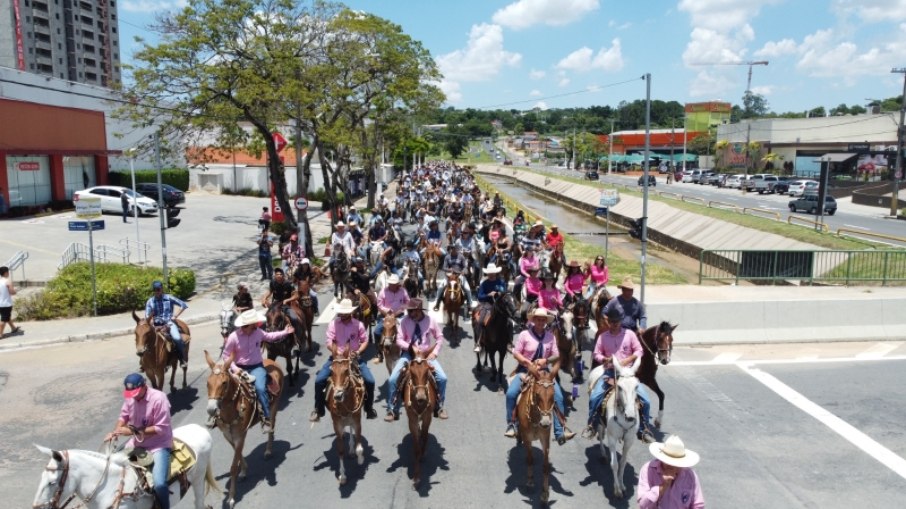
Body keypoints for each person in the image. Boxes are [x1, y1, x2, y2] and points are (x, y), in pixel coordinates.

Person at [504, 308, 575, 445]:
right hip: (525, 370)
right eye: (538, 319)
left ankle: (560, 430)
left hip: (544, 374)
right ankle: (512, 424)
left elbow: (556, 355)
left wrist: (546, 361)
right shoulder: (524, 334)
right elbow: (516, 353)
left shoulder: (550, 337)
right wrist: (527, 362)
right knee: (511, 394)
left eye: (543, 320)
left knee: (559, 396)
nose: (541, 322)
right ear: (533, 320)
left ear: (546, 322)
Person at [584, 306, 655, 442]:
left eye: (616, 321)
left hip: (628, 373)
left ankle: (644, 430)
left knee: (646, 400)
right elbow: (596, 354)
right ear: (608, 322)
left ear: (621, 321)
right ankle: (591, 425)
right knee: (594, 398)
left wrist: (628, 360)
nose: (614, 324)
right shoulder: (603, 337)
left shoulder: (630, 334)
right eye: (611, 321)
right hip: (610, 371)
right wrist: (604, 359)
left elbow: (639, 351)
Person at [104, 373, 173, 509]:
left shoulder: (159, 398)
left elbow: (161, 428)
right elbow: (123, 416)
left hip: (158, 445)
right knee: (112, 466)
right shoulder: (131, 397)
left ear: (144, 386)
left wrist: (132, 431)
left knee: (159, 483)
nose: (133, 396)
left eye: (136, 392)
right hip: (136, 444)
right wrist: (116, 432)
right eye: (131, 394)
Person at [221, 309, 294, 433]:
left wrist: (285, 332)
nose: (258, 324)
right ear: (249, 324)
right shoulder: (234, 337)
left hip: (256, 367)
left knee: (260, 388)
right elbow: (226, 355)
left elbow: (270, 337)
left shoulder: (258, 332)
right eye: (255, 323)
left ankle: (266, 419)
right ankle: (217, 415)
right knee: (223, 386)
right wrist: (235, 368)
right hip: (239, 368)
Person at [310, 299, 378, 422]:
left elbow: (364, 341)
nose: (342, 315)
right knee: (319, 381)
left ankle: (369, 409)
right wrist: (336, 352)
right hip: (336, 358)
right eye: (341, 313)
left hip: (354, 358)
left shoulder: (358, 325)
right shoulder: (333, 324)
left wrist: (358, 352)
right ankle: (318, 409)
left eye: (345, 313)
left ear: (350, 313)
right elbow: (329, 341)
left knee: (370, 381)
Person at [385, 299, 449, 421]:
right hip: (408, 354)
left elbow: (439, 337)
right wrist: (410, 347)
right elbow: (398, 340)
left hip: (425, 355)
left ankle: (439, 406)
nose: (409, 313)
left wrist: (434, 353)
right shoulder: (404, 321)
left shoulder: (430, 321)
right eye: (409, 311)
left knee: (442, 378)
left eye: (411, 311)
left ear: (418, 310)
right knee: (393, 378)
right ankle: (392, 409)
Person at [638, 435, 705, 509]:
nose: (671, 465)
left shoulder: (690, 475)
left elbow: (698, 505)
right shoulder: (648, 469)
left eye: (675, 463)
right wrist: (662, 487)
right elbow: (642, 504)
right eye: (668, 461)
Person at [144, 281, 188, 367]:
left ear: (162, 289)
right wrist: (151, 323)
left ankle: (182, 359)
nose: (157, 291)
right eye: (155, 290)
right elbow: (147, 316)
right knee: (144, 339)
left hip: (168, 323)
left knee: (177, 338)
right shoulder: (150, 302)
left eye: (158, 289)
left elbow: (183, 305)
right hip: (155, 325)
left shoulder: (169, 298)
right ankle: (143, 363)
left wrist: (175, 315)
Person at [475, 263, 508, 352]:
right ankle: (478, 341)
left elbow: (505, 293)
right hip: (488, 304)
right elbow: (480, 296)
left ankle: (509, 342)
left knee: (509, 321)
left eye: (493, 273)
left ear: (495, 273)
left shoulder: (501, 282)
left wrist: (500, 294)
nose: (491, 274)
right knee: (481, 320)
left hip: (500, 304)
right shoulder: (484, 283)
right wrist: (488, 295)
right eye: (490, 273)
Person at [432, 244, 475, 311]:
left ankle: (470, 304)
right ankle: (437, 303)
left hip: (459, 275)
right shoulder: (447, 257)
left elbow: (465, 267)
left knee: (467, 288)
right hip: (450, 275)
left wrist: (463, 271)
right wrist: (448, 270)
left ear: (457, 249)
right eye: (452, 248)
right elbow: (444, 267)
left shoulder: (461, 257)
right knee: (440, 287)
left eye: (454, 248)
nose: (453, 249)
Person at [373, 274, 410, 344]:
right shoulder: (383, 291)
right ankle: (379, 350)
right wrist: (387, 312)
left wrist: (401, 309)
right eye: (390, 284)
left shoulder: (403, 291)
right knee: (377, 331)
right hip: (385, 316)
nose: (392, 285)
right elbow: (379, 305)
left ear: (397, 284)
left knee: (407, 331)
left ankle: (405, 349)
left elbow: (407, 302)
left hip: (399, 315)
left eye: (394, 284)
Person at [0, 266, 22, 338]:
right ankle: (0, 334)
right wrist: (16, 291)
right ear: (6, 273)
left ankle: (13, 328)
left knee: (7, 316)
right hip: (6, 303)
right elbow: (12, 292)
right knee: (4, 319)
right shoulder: (8, 281)